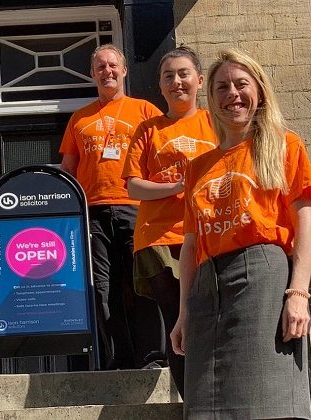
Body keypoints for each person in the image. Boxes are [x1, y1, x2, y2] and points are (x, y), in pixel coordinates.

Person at [170, 48, 311, 418]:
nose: (232, 95)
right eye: (221, 87)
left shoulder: (284, 146)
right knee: (205, 408)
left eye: (241, 84)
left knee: (267, 400)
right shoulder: (198, 168)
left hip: (262, 280)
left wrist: (298, 293)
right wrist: (184, 312)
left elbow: (305, 223)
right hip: (206, 289)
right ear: (211, 99)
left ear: (260, 92)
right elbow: (191, 246)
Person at [59, 43, 164, 370]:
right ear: (92, 74)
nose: (107, 71)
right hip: (94, 212)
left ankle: (153, 357)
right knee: (102, 288)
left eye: (113, 65)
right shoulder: (79, 118)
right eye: (100, 67)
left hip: (137, 207)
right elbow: (67, 168)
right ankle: (118, 358)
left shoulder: (145, 111)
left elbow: (164, 156)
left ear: (124, 70)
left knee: (144, 282)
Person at [122, 46, 216, 396]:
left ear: (200, 80)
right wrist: (178, 185)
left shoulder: (215, 123)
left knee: (207, 317)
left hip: (209, 234)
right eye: (168, 76)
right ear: (159, 86)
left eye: (183, 74)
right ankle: (192, 404)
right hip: (158, 237)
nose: (176, 82)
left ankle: (210, 398)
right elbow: (133, 185)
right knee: (179, 317)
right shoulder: (148, 129)